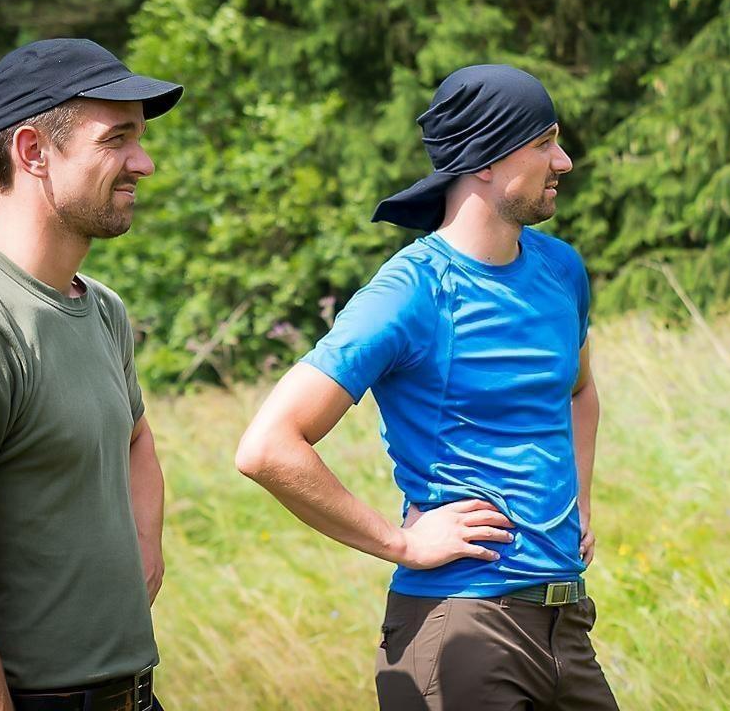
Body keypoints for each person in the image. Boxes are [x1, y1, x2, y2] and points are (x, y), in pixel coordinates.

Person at [236, 64, 618, 709]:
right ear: (486, 161)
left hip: (566, 625)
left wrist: (578, 500)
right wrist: (401, 543)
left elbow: (579, 391)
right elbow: (268, 446)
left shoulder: (561, 269)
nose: (564, 161)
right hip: (459, 628)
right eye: (544, 143)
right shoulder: (410, 292)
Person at [0, 38, 183, 711]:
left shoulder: (103, 308)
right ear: (33, 151)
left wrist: (141, 554)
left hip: (133, 694)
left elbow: (135, 438)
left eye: (140, 139)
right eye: (116, 139)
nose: (143, 163)